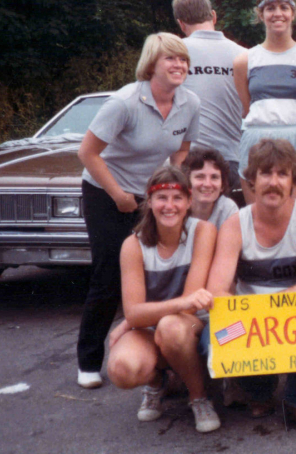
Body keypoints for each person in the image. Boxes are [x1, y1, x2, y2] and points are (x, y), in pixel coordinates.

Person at [76, 32, 200, 389]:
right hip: (106, 191)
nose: (179, 66)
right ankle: (88, 360)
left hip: (152, 195)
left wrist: (174, 189)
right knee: (109, 273)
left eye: (183, 60)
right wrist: (118, 195)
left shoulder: (190, 102)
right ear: (151, 65)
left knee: (152, 270)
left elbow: (181, 152)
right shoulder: (124, 102)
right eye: (170, 59)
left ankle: (150, 347)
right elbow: (87, 153)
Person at [205, 138, 296, 432]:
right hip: (251, 316)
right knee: (214, 338)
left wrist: (279, 305)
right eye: (265, 173)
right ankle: (258, 389)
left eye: (282, 174)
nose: (273, 182)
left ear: (294, 180)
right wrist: (253, 317)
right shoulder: (235, 224)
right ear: (252, 179)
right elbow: (217, 289)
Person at [105, 166, 220, 433]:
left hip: (191, 324)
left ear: (189, 201)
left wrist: (132, 320)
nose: (170, 206)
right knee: (122, 370)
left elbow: (190, 304)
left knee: (170, 327)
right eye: (162, 198)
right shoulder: (132, 245)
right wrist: (132, 320)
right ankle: (158, 382)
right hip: (150, 327)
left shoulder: (203, 231)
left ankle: (199, 397)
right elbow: (133, 312)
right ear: (150, 202)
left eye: (177, 198)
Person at [234, 0, 296, 204]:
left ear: (293, 13)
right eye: (270, 8)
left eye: (284, 8)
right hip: (257, 140)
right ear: (260, 14)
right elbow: (248, 109)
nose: (278, 14)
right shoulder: (244, 61)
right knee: (260, 219)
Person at [173, 0, 247, 193]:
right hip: (233, 159)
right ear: (213, 16)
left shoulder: (174, 55)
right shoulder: (243, 54)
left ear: (181, 24)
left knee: (192, 224)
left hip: (189, 161)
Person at [181, 147, 239, 230]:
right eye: (200, 177)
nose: (207, 184)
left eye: (214, 177)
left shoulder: (228, 209)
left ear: (222, 185)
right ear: (187, 182)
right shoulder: (177, 207)